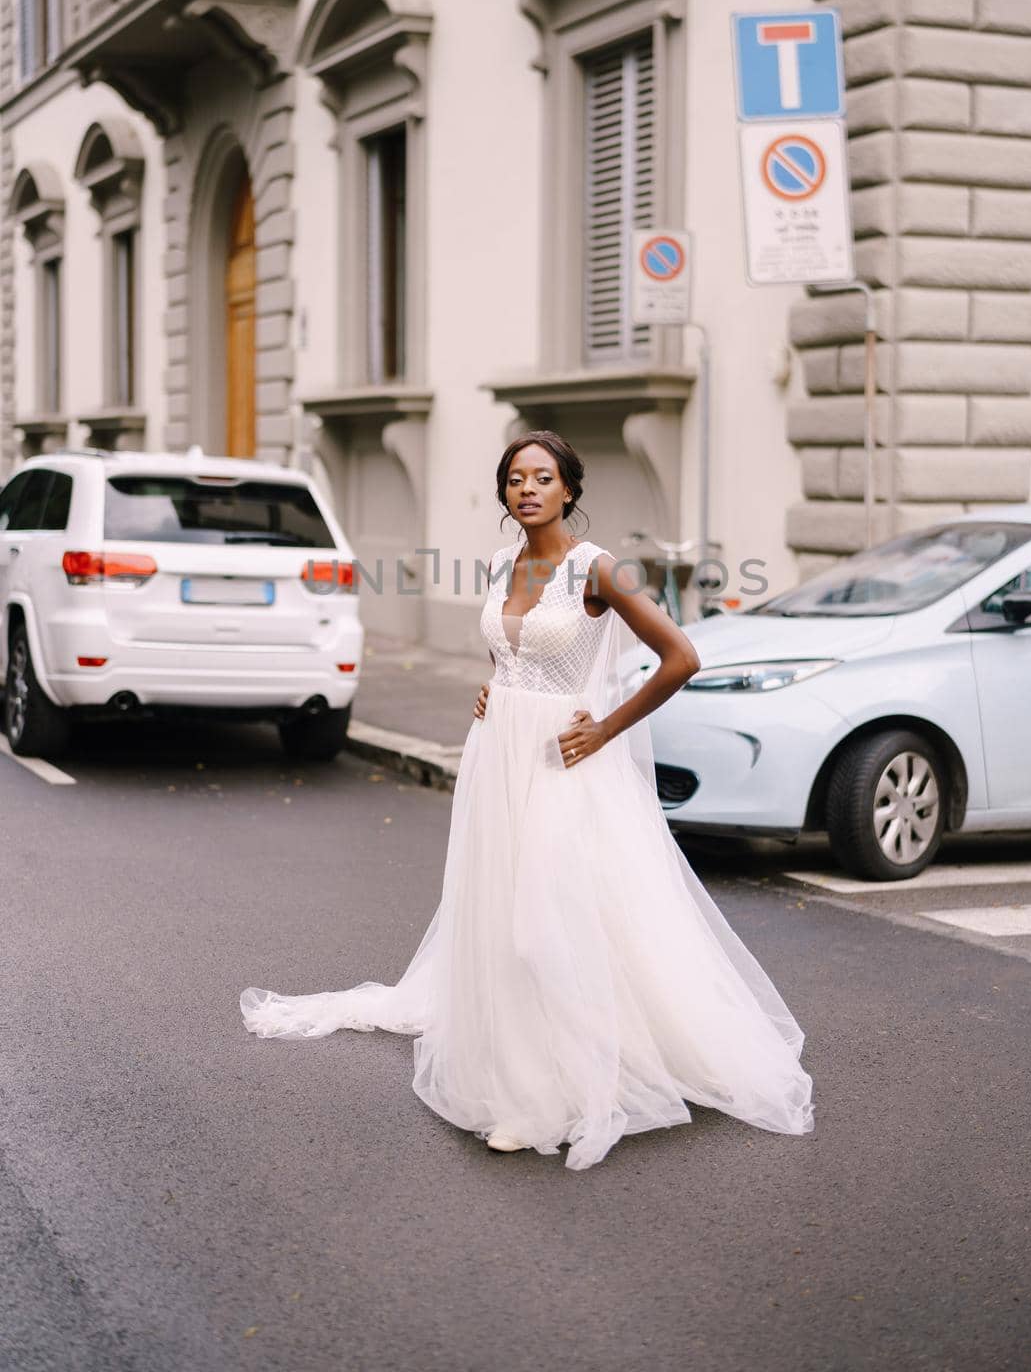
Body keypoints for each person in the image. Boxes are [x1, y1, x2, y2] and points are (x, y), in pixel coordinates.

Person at [241, 431, 814, 1170]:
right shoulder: (496, 562)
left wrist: (604, 728)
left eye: (543, 478)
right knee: (498, 910)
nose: (528, 489)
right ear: (506, 493)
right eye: (515, 479)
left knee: (541, 925)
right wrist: (500, 684)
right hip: (496, 753)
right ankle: (513, 1066)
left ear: (568, 489)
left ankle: (545, 1095)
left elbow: (681, 658)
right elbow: (510, 648)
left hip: (562, 759)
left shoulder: (596, 569)